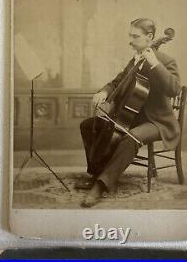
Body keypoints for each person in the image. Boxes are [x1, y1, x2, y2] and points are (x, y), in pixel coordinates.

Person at [78, 18, 181, 207]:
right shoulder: (134, 61)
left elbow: (174, 89)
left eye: (135, 36)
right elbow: (117, 81)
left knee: (132, 137)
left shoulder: (165, 61)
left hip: (157, 122)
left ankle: (102, 185)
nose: (130, 41)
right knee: (87, 125)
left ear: (150, 37)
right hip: (131, 117)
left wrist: (155, 64)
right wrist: (104, 92)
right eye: (130, 35)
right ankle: (97, 172)